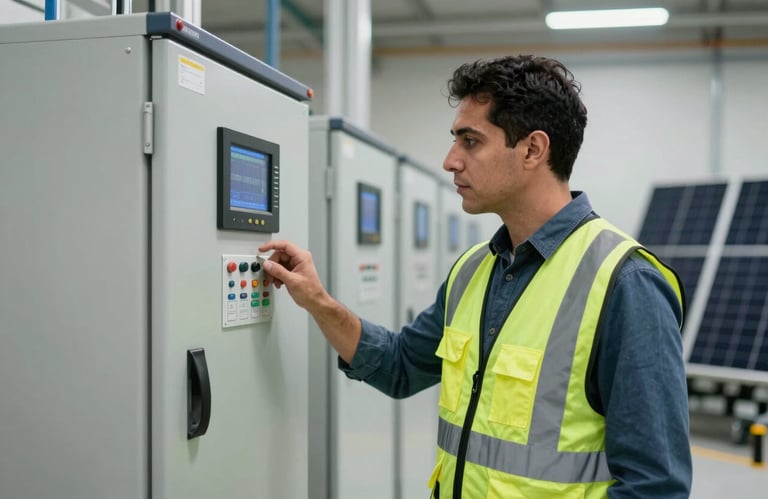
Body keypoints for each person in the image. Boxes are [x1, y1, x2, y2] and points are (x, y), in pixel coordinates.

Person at [259, 55, 691, 498]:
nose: (450, 161)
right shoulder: (473, 270)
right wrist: (318, 300)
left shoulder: (625, 283)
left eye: (470, 141)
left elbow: (654, 487)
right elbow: (400, 366)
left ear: (532, 149)